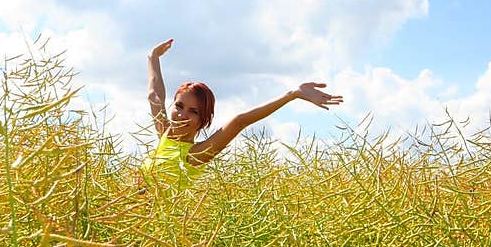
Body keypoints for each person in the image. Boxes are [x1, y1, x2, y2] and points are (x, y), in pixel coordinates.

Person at [140, 38, 343, 190]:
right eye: (179, 106)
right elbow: (154, 95)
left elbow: (239, 122)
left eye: (193, 112)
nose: (182, 115)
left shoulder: (195, 155)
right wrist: (153, 57)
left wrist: (292, 95)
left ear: (203, 121)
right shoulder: (164, 132)